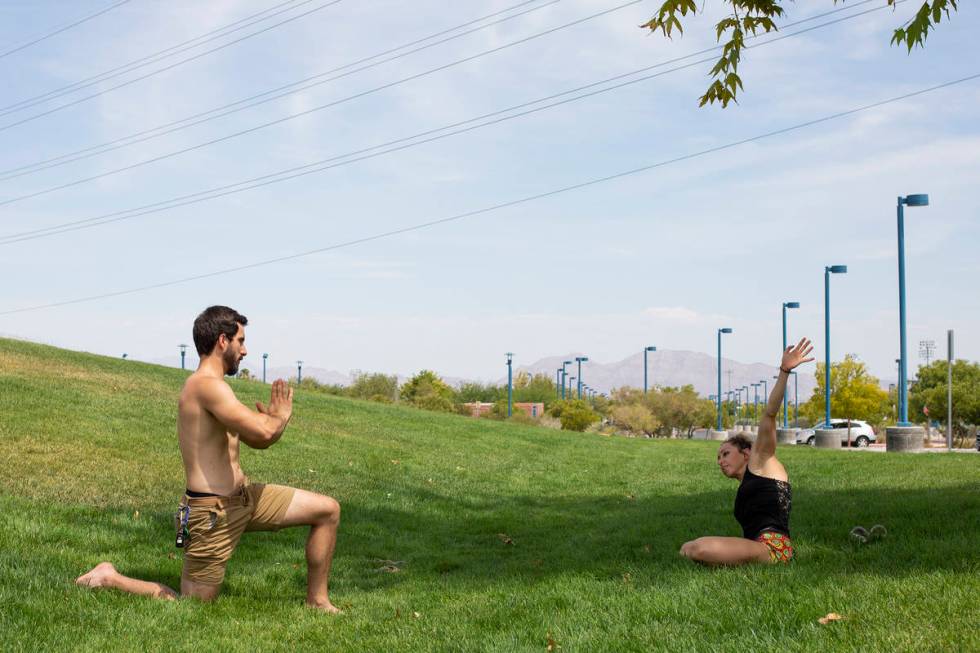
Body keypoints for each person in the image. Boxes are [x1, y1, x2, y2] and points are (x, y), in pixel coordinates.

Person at [76, 306, 342, 612]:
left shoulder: (220, 389)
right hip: (209, 514)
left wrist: (274, 423)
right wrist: (279, 418)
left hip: (245, 499)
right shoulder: (206, 387)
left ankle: (318, 601)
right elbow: (265, 432)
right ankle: (109, 577)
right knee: (193, 604)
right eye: (241, 341)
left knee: (327, 510)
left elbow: (259, 439)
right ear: (222, 341)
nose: (245, 350)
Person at [680, 337, 814, 566]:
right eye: (718, 457)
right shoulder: (747, 483)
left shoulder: (762, 461)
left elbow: (769, 414)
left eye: (725, 453)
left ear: (745, 452)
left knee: (699, 548)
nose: (720, 461)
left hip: (774, 547)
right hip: (757, 546)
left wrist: (784, 371)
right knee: (687, 548)